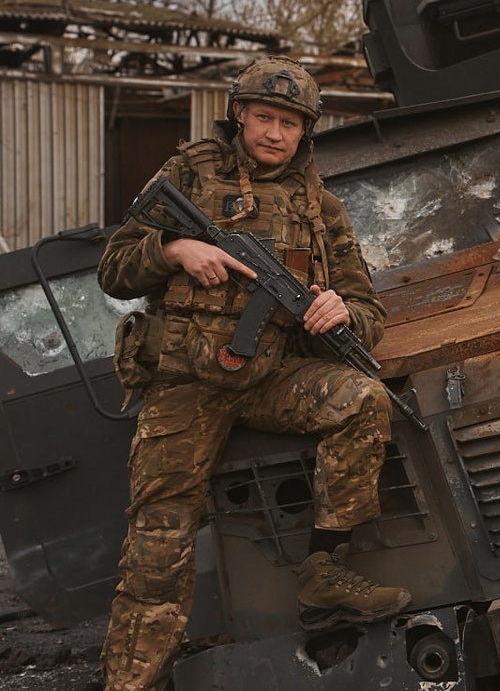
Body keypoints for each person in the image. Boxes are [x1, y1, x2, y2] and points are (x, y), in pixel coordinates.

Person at [98, 56, 410, 691]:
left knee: (363, 399)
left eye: (289, 123)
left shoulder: (321, 209)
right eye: (264, 117)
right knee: (158, 546)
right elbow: (113, 268)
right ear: (239, 114)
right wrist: (174, 249)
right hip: (185, 385)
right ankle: (128, 684)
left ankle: (323, 566)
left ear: (305, 132)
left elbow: (370, 311)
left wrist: (339, 309)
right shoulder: (188, 173)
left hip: (270, 377)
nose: (274, 133)